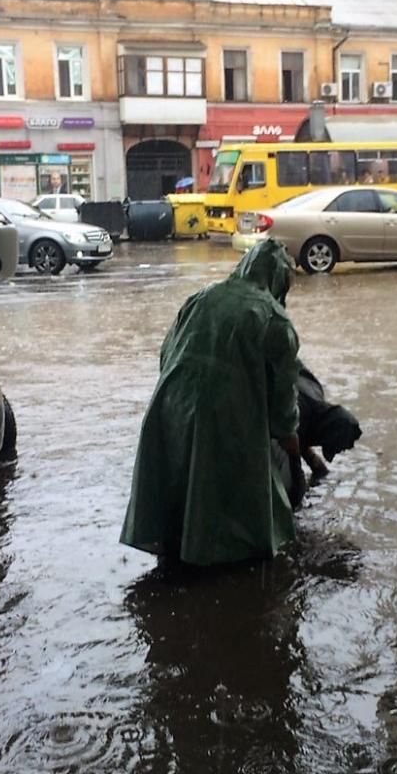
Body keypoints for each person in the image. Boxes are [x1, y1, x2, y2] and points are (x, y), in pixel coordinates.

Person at [121, 239, 302, 567]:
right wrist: (296, 453)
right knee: (236, 491)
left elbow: (167, 354)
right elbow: (283, 406)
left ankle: (178, 554)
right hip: (227, 419)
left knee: (181, 483)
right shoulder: (276, 321)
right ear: (279, 280)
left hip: (170, 406)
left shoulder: (201, 297)